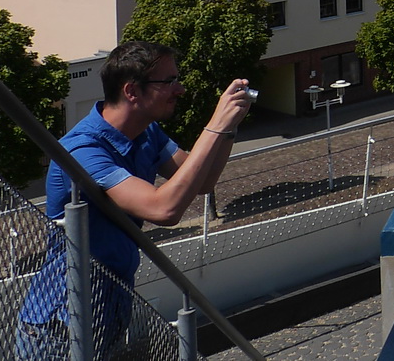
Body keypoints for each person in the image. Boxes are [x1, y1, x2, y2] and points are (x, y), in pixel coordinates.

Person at [18, 41, 253, 359]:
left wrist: (229, 128)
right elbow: (164, 208)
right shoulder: (82, 151)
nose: (179, 89)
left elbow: (202, 181)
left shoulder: (147, 133)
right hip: (59, 331)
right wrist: (215, 125)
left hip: (106, 318)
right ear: (132, 91)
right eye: (169, 81)